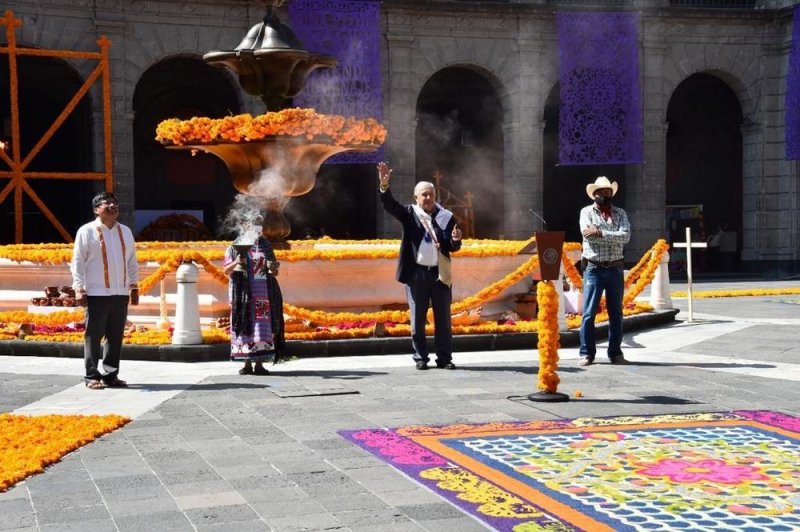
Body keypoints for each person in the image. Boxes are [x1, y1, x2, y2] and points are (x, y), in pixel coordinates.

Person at [377, 162, 463, 370]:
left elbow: (452, 246)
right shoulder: (409, 214)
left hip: (439, 274)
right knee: (417, 320)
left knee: (443, 320)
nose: (428, 198)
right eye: (423, 195)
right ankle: (421, 358)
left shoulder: (446, 217)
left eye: (431, 194)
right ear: (416, 198)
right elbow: (390, 206)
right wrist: (384, 186)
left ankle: (444, 359)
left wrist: (456, 240)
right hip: (417, 274)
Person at [71, 191, 139, 389]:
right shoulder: (86, 231)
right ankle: (91, 375)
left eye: (114, 203)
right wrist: (79, 288)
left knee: (115, 335)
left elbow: (132, 261)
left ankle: (111, 375)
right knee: (93, 336)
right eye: (105, 203)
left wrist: (134, 286)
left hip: (120, 292)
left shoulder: (125, 231)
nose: (111, 206)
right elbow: (78, 262)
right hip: (96, 292)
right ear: (96, 210)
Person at [578, 176, 631, 366]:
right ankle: (586, 353)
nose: (605, 196)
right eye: (601, 193)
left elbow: (625, 237)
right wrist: (611, 235)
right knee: (589, 313)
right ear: (594, 194)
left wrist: (600, 232)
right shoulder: (586, 213)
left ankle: (615, 353)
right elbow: (588, 237)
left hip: (615, 267)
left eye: (608, 193)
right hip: (594, 268)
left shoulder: (620, 213)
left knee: (616, 313)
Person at [222, 220, 285, 375]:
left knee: (261, 329)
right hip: (242, 294)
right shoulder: (234, 247)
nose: (258, 230)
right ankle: (246, 364)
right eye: (253, 226)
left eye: (259, 227)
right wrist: (237, 261)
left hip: (262, 293)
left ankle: (259, 363)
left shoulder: (266, 245)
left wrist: (273, 269)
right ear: (245, 228)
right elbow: (226, 271)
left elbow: (273, 271)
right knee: (244, 326)